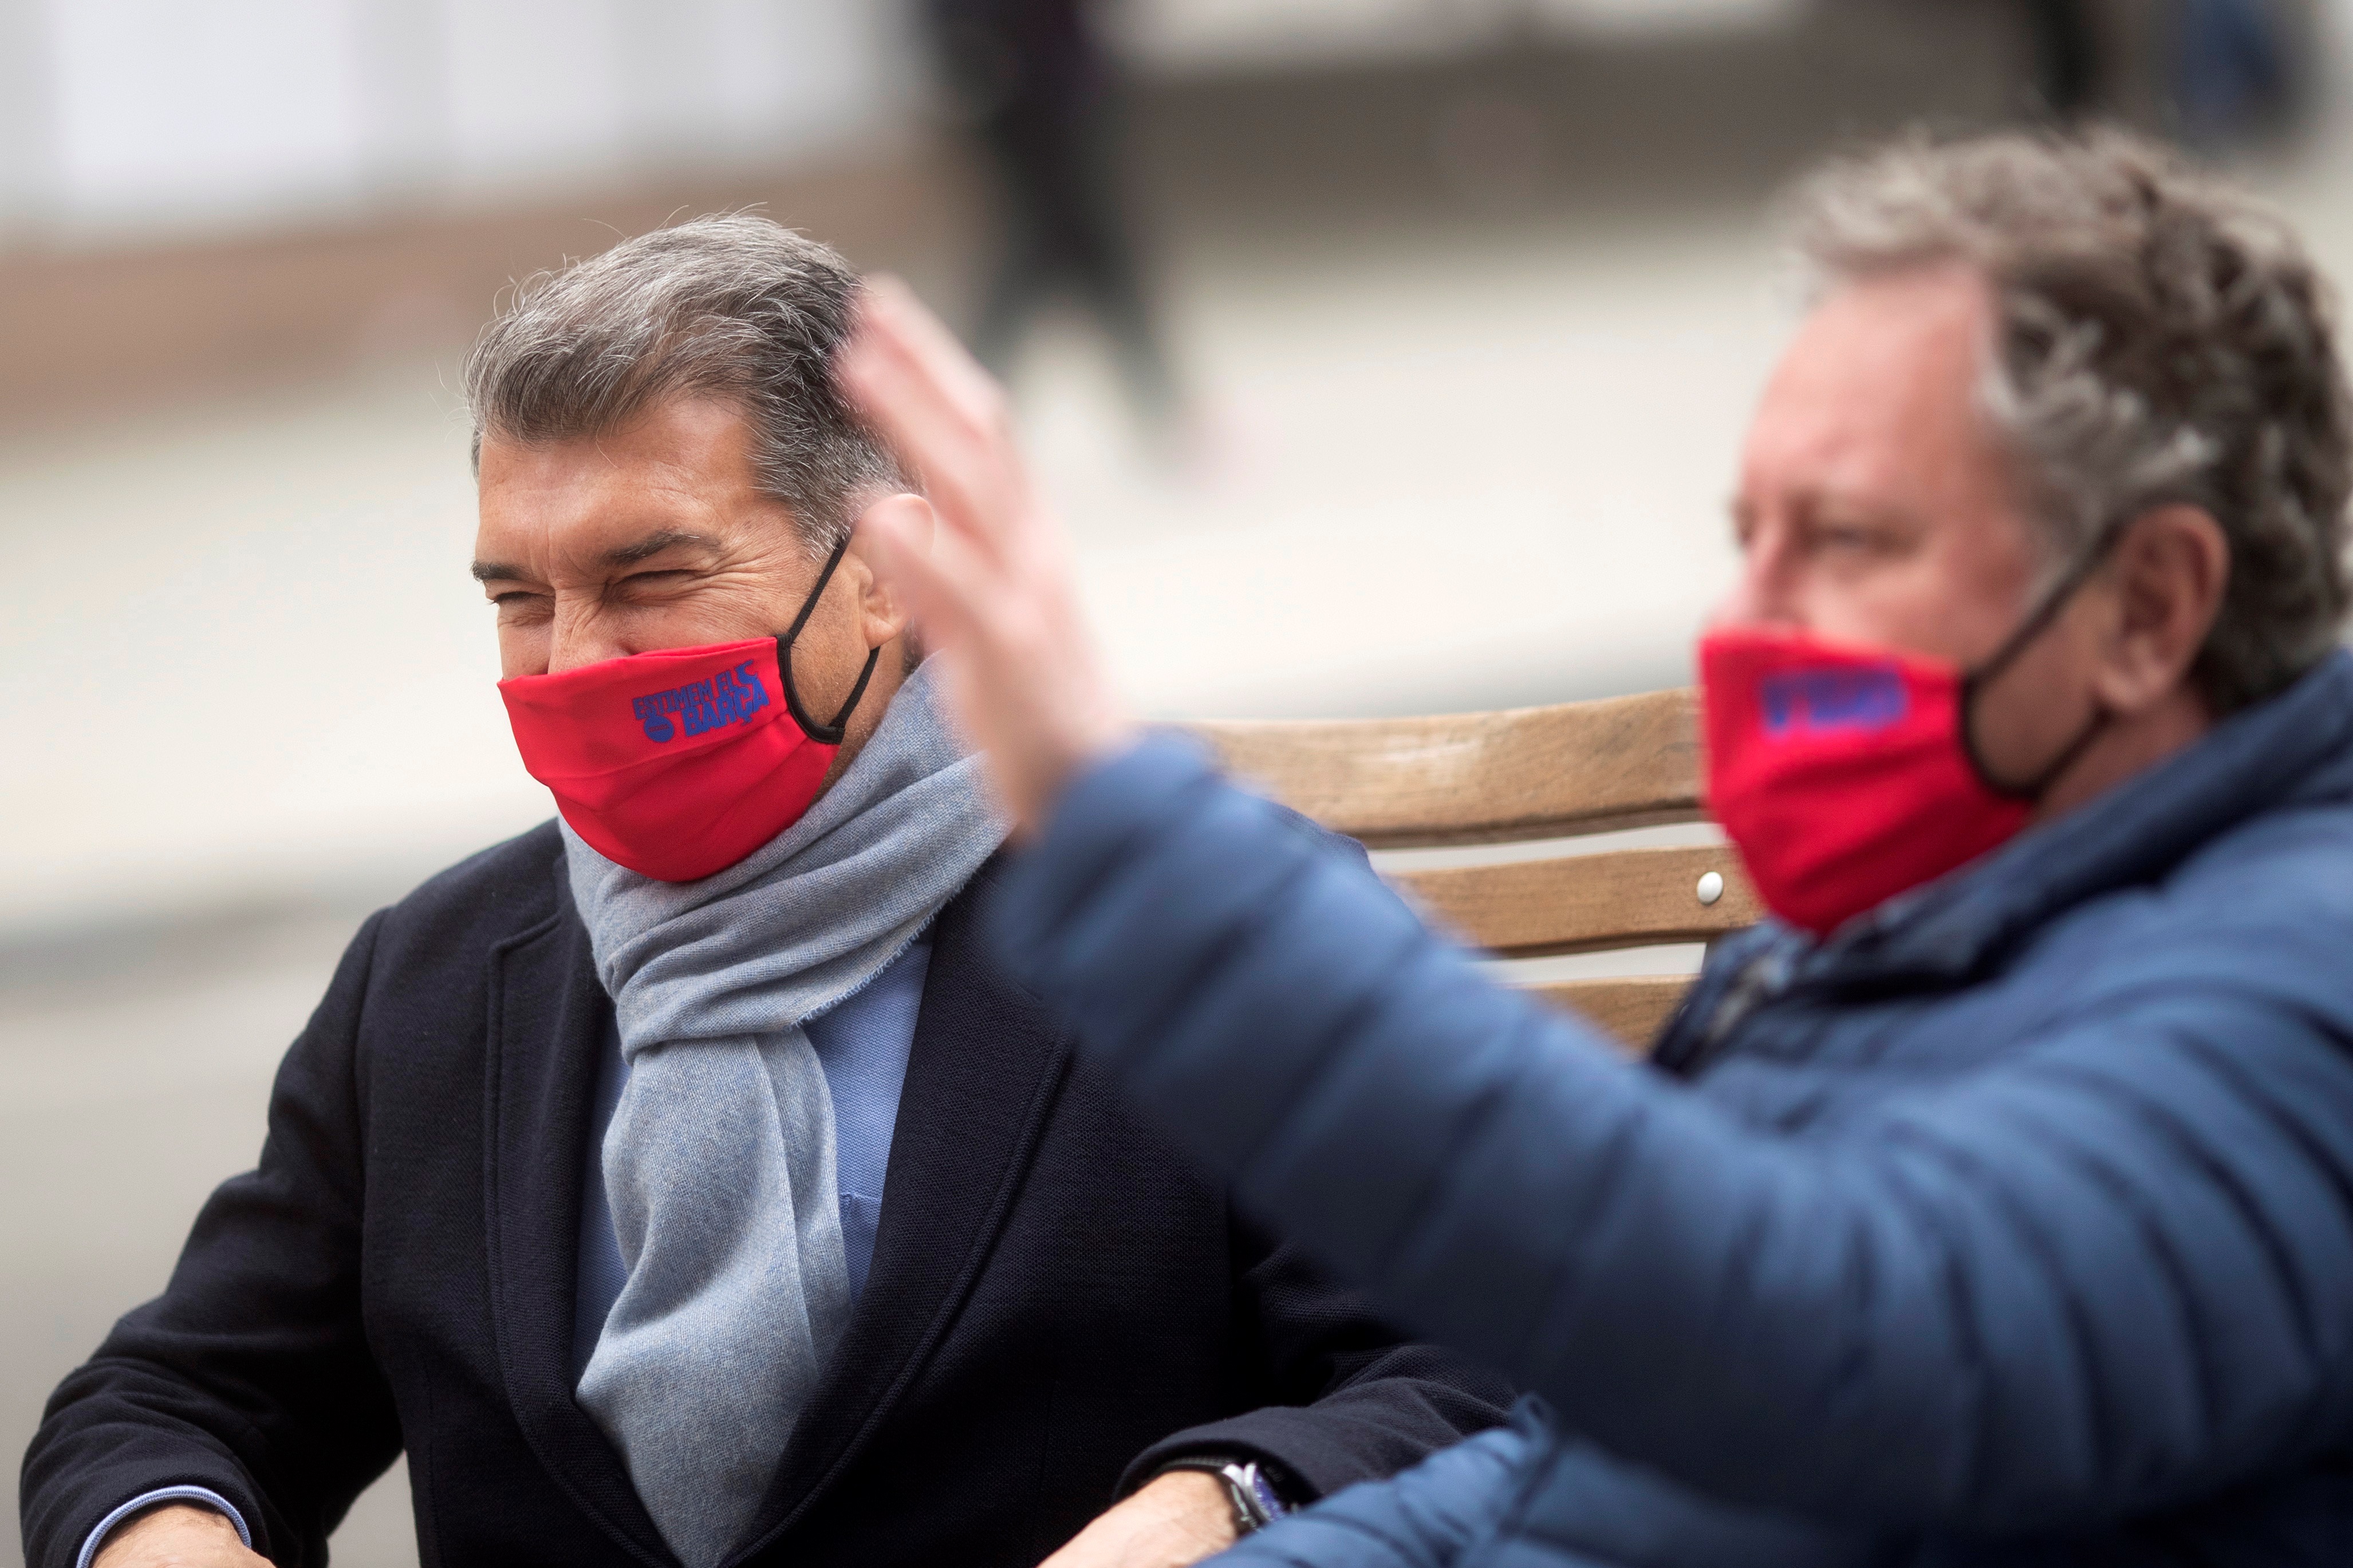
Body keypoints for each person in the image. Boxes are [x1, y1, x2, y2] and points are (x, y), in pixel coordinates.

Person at [838, 129, 2353, 1563]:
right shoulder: (1908, 933)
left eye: (1847, 539)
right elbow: (1578, 1474)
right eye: (1746, 533)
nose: (1744, 622)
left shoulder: (2300, 998)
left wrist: (1132, 835)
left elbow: (1821, 1342)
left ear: (2148, 609)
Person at [19, 216, 1509, 1568]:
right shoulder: (435, 979)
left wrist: (1218, 1507)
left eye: (648, 576)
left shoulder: (1201, 923)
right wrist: (167, 1536)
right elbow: (162, 1406)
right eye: (518, 598)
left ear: (887, 580)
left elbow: (1468, 1368)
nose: (572, 665)